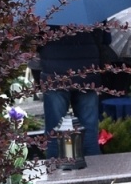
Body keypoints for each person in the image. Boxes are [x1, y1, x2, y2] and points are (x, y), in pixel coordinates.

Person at [38, 30, 104, 160]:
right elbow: (104, 37)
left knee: (54, 129)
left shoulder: (44, 11)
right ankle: (96, 172)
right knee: (89, 129)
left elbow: (36, 40)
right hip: (87, 72)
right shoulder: (89, 11)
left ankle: (55, 172)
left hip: (54, 72)